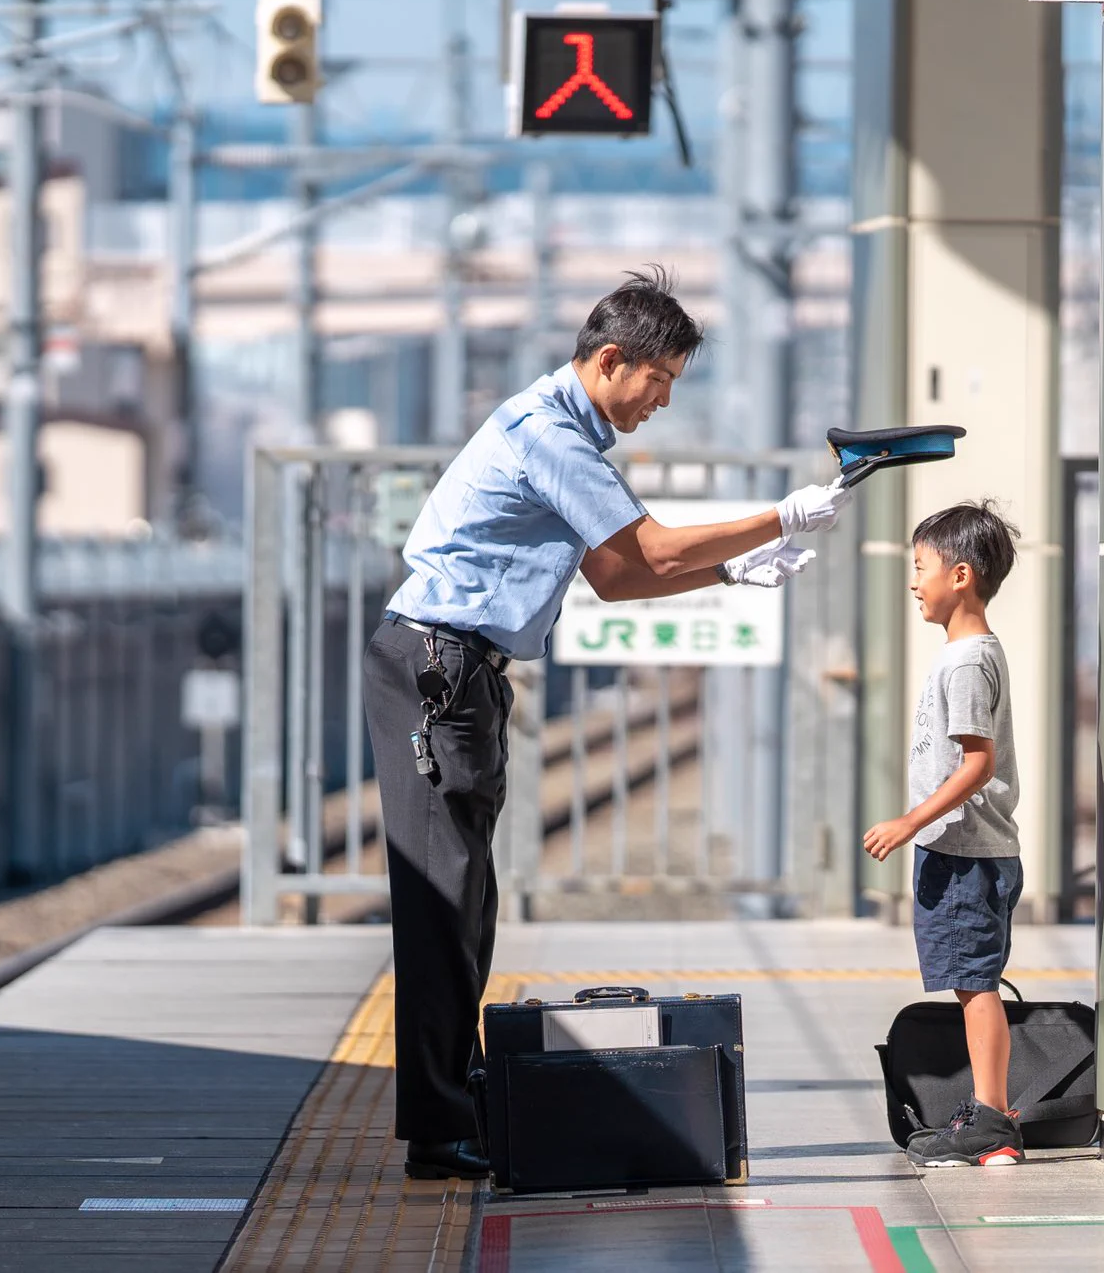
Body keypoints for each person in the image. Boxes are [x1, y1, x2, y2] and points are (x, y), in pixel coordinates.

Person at [363, 266, 853, 1180]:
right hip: (435, 667)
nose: (663, 401)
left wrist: (732, 574)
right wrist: (775, 519)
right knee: (441, 905)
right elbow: (652, 548)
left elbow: (618, 574)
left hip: (457, 671)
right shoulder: (551, 436)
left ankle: (457, 1101)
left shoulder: (562, 430)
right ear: (611, 360)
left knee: (467, 900)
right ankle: (436, 1128)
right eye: (659, 380)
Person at [861, 499, 1025, 1167]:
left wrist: (910, 821)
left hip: (965, 852)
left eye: (921, 566)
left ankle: (992, 1118)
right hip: (960, 850)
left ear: (960, 575)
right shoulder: (966, 653)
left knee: (975, 984)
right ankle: (990, 1122)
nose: (913, 581)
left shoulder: (965, 662)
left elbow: (977, 762)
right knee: (970, 981)